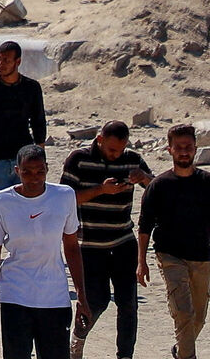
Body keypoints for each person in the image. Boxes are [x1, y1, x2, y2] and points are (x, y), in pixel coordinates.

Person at [0, 145, 90, 359]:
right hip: (15, 294)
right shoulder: (1, 202)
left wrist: (81, 296)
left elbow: (71, 247)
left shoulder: (64, 196)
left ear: (47, 169)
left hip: (54, 296)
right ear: (17, 171)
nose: (34, 177)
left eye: (40, 171)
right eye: (27, 172)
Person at [59, 121, 152, 359]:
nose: (116, 155)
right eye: (112, 150)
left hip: (123, 242)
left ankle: (125, 355)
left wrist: (144, 177)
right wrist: (100, 190)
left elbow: (157, 190)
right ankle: (78, 339)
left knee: (129, 304)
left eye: (120, 150)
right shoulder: (78, 160)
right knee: (95, 301)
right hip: (90, 245)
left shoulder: (132, 159)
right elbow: (64, 199)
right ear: (99, 139)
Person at [138, 123, 210, 359]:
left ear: (195, 148)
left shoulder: (207, 182)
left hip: (203, 256)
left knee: (199, 316)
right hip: (170, 255)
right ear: (169, 149)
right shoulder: (159, 185)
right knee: (183, 312)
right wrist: (142, 261)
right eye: (178, 147)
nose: (183, 151)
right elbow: (144, 226)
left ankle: (180, 350)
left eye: (188, 146)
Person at [0, 40, 46, 221]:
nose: (1, 64)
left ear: (17, 62)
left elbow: (38, 123)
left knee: (26, 214)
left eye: (6, 60)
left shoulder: (31, 87)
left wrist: (41, 158)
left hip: (23, 160)